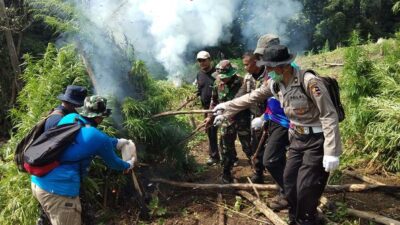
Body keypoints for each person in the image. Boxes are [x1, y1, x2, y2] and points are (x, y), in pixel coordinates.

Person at [213, 45, 342, 225]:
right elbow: (252, 96)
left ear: (284, 66)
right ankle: (297, 218)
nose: (268, 71)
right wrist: (226, 107)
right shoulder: (276, 83)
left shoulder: (310, 82)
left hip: (316, 140)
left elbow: (328, 115)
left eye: (271, 68)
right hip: (297, 138)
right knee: (289, 183)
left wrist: (331, 151)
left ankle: (307, 218)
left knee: (306, 187)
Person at [31, 95, 135, 225]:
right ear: (98, 117)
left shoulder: (70, 118)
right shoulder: (97, 137)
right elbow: (114, 163)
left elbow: (83, 139)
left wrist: (116, 142)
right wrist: (128, 164)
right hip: (59, 192)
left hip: (39, 181)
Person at [36, 85, 87, 225]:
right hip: (55, 182)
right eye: (77, 105)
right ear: (73, 104)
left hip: (44, 178)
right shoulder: (61, 121)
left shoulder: (55, 114)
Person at [205, 60, 252, 183]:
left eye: (225, 77)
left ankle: (258, 171)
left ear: (232, 73)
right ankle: (226, 173)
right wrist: (210, 116)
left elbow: (251, 100)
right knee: (226, 148)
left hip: (242, 120)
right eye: (220, 77)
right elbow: (214, 101)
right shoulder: (217, 83)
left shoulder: (242, 82)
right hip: (225, 120)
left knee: (248, 147)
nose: (223, 80)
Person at [195, 50, 220, 165]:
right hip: (206, 108)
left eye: (204, 60)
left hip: (220, 107)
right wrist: (195, 94)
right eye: (200, 61)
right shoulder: (199, 74)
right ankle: (214, 156)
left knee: (226, 133)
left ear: (209, 60)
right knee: (211, 132)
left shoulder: (217, 73)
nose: (202, 63)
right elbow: (200, 89)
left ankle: (231, 157)